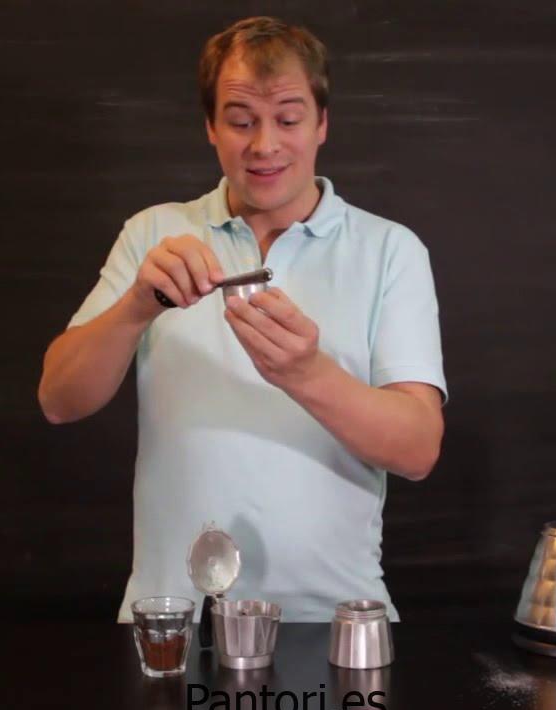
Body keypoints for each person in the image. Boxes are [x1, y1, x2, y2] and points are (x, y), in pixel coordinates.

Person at [37, 16, 446, 622]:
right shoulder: (154, 234)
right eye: (241, 120)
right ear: (210, 126)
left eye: (288, 118)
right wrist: (136, 308)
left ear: (322, 123)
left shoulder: (389, 250)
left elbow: (418, 449)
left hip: (334, 621)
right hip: (172, 620)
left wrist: (306, 373)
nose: (265, 145)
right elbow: (58, 399)